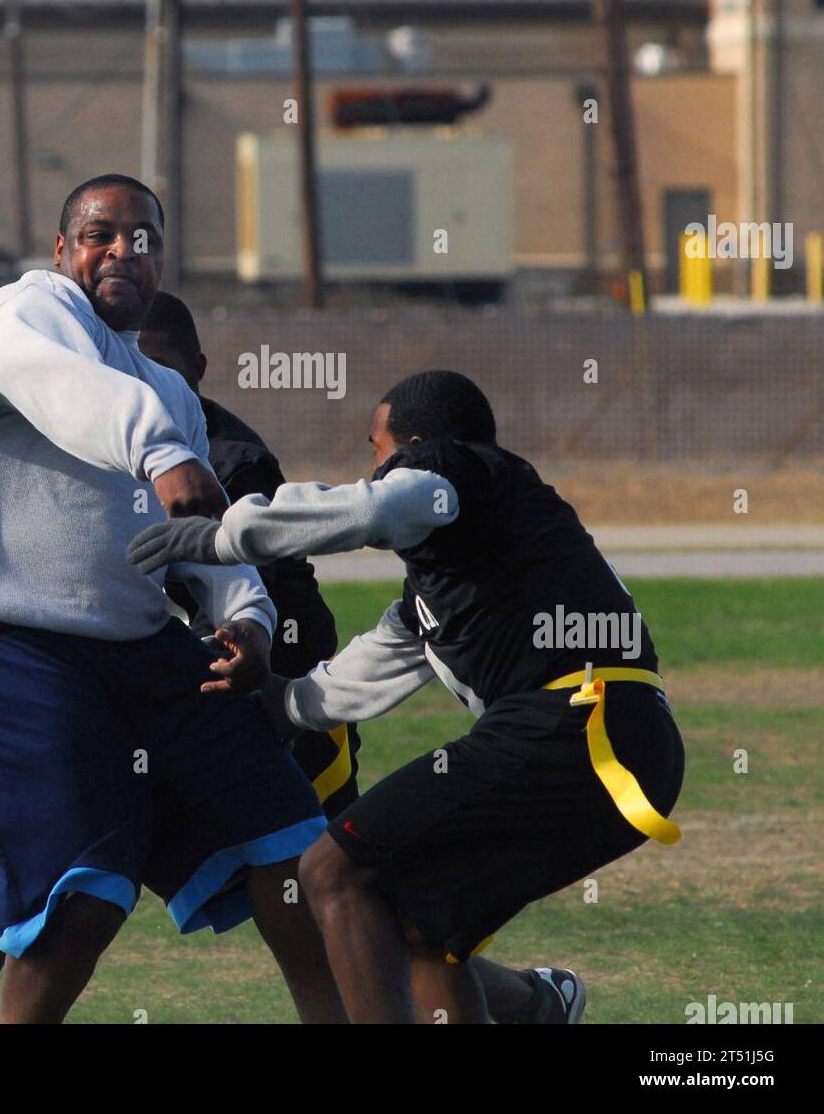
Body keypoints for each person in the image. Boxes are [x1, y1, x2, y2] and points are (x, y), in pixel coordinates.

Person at [0, 173, 344, 1025]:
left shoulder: (167, 393)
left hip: (137, 654)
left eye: (142, 238)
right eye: (100, 234)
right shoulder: (22, 316)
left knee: (311, 867)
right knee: (82, 893)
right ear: (62, 251)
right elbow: (74, 392)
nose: (121, 251)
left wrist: (246, 622)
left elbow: (204, 544)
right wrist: (159, 453)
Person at [129, 369, 685, 1024]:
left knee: (334, 868)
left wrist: (224, 537)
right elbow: (377, 661)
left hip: (581, 726)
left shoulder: (454, 464)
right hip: (606, 743)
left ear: (413, 443)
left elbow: (375, 509)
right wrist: (280, 700)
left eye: (375, 449)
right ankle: (538, 1009)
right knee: (416, 926)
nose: (373, 465)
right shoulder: (465, 557)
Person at [138, 291, 360, 819]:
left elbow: (242, 598)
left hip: (283, 669)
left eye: (164, 367)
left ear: (197, 367)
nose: (150, 385)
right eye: (133, 369)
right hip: (196, 670)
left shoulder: (231, 461)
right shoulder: (123, 440)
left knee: (321, 853)